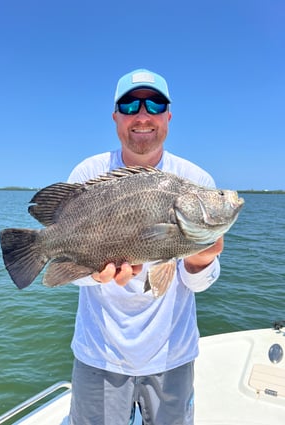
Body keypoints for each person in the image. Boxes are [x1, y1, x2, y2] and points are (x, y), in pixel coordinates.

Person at [67, 69, 223, 425]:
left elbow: (196, 283)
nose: (142, 115)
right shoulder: (88, 173)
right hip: (99, 354)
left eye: (154, 104)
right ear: (116, 117)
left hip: (172, 355)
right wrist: (96, 274)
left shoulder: (196, 181)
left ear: (168, 115)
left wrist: (200, 262)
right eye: (129, 105)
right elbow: (72, 271)